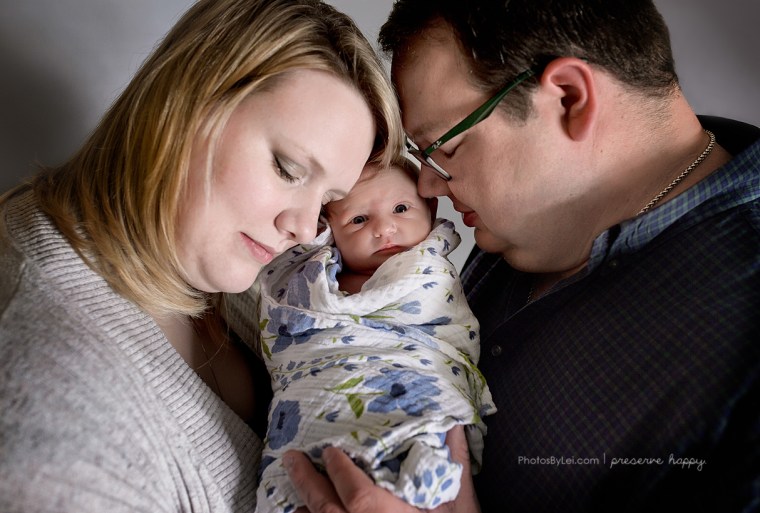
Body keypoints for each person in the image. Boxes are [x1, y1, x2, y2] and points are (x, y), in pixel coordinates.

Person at [283, 1, 760, 512]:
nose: (427, 186)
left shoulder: (742, 346)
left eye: (445, 147)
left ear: (569, 98)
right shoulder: (528, 226)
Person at [0, 0, 406, 511]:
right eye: (286, 168)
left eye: (326, 202)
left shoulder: (211, 259)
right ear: (185, 103)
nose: (304, 229)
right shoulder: (58, 423)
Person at [253, 158, 495, 512]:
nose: (384, 229)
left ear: (430, 208)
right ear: (329, 229)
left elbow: (445, 333)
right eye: (359, 219)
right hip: (322, 385)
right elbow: (287, 325)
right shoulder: (310, 277)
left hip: (413, 379)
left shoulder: (428, 269)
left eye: (400, 208)